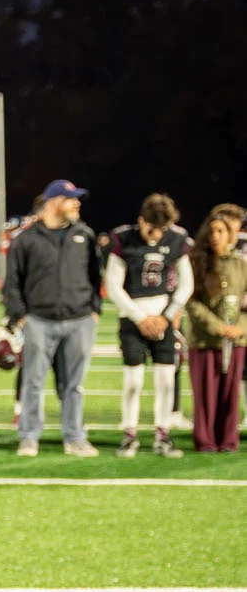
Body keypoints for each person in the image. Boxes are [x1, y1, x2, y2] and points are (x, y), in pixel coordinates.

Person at [2, 179, 104, 457]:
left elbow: (96, 276)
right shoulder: (26, 239)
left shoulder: (85, 234)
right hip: (39, 320)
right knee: (33, 382)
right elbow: (12, 281)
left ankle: (75, 437)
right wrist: (21, 316)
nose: (77, 204)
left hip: (79, 319)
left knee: (75, 385)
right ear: (54, 202)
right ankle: (29, 436)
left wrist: (94, 310)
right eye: (71, 199)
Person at [104, 193, 193, 458]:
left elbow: (187, 283)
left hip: (163, 318)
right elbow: (113, 285)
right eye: (152, 228)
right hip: (133, 318)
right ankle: (129, 434)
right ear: (140, 221)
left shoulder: (177, 239)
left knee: (166, 379)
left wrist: (167, 316)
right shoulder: (123, 238)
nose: (156, 235)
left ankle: (162, 435)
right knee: (133, 380)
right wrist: (139, 317)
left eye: (161, 229)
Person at [183, 212, 246, 453]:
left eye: (221, 231)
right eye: (212, 231)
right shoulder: (196, 261)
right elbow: (191, 300)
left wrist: (239, 326)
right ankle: (205, 439)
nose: (216, 236)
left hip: (236, 338)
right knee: (205, 394)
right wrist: (215, 325)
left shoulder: (240, 264)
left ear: (230, 235)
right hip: (204, 339)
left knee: (231, 393)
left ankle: (229, 440)